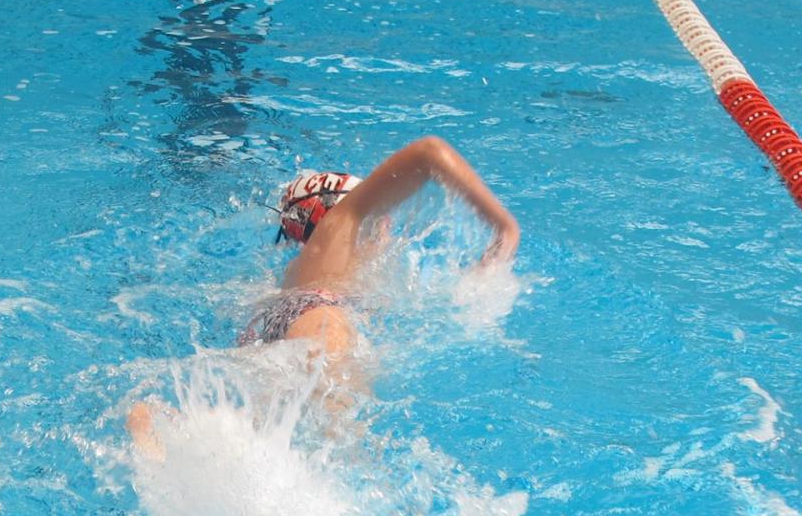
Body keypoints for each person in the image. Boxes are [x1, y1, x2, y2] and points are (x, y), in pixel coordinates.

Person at [127, 135, 520, 453]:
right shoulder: (342, 226)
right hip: (322, 318)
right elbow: (429, 151)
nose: (385, 229)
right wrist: (505, 229)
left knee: (266, 439)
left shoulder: (299, 271)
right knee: (349, 449)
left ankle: (170, 423)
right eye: (379, 216)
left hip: (280, 324)